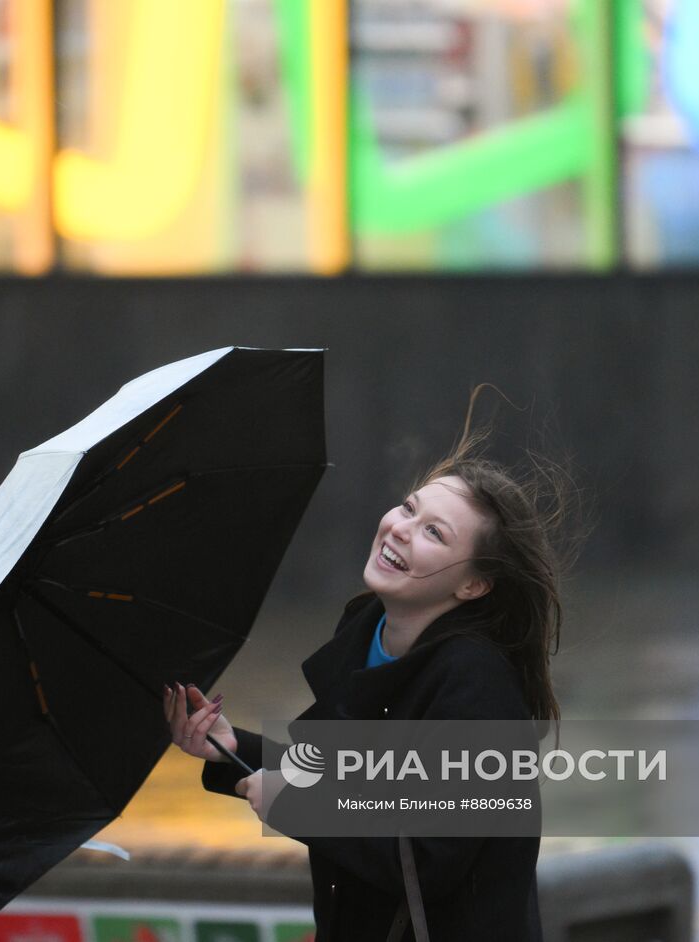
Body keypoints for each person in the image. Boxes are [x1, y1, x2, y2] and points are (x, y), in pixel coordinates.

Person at [164, 392, 571, 941]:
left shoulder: (478, 686)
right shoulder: (364, 632)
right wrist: (232, 746)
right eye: (409, 508)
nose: (402, 529)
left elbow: (431, 857)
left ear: (473, 585)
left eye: (435, 533)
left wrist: (301, 807)